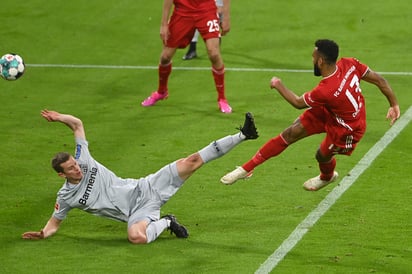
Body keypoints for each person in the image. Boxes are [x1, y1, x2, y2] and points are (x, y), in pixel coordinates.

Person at [22, 110, 258, 244]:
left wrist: (58, 117)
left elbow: (77, 125)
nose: (78, 169)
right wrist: (43, 233)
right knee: (136, 237)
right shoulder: (65, 196)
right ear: (61, 174)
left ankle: (243, 135)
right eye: (71, 169)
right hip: (137, 213)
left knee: (192, 162)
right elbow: (55, 223)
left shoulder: (84, 159)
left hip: (146, 187)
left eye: (75, 164)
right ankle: (167, 221)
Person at [221, 39, 400, 191]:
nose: (312, 60)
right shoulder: (349, 63)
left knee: (321, 155)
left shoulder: (325, 90)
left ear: (321, 61)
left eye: (313, 57)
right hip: (331, 110)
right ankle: (246, 169)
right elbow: (380, 80)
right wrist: (394, 104)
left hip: (348, 128)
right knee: (291, 132)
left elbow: (298, 103)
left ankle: (327, 176)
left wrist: (278, 84)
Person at [141, 0, 233, 113]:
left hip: (206, 10)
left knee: (214, 53)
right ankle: (161, 92)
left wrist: (226, 15)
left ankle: (222, 99)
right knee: (165, 56)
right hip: (182, 11)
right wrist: (164, 24)